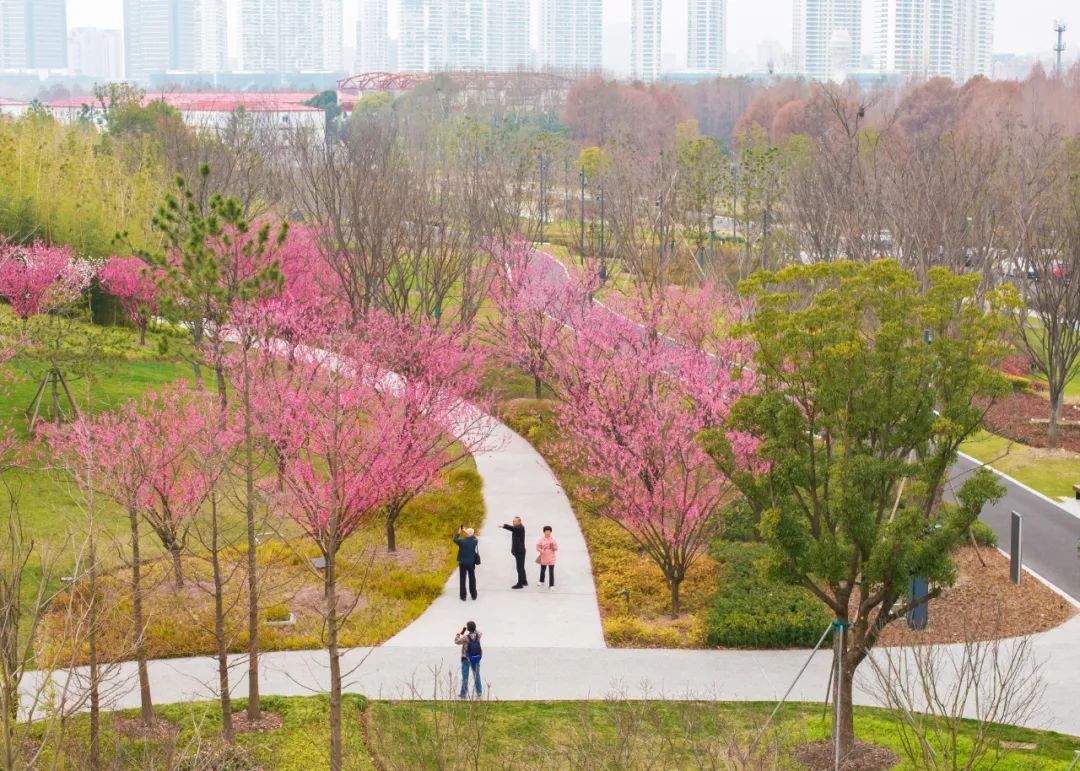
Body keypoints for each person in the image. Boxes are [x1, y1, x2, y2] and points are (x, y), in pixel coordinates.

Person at [454, 621, 483, 698]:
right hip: (476, 658)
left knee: (465, 677)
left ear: (468, 629)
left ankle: (463, 693)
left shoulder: (465, 638)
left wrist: (459, 633)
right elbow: (478, 632)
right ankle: (479, 691)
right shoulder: (478, 635)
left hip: (466, 658)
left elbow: (456, 641)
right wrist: (472, 629)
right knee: (477, 675)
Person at [501, 517, 527, 589]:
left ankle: (520, 584)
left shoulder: (520, 528)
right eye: (513, 521)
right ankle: (524, 581)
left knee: (519, 568)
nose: (513, 523)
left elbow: (513, 528)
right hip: (518, 551)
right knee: (521, 567)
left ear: (519, 522)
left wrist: (504, 526)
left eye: (515, 521)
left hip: (520, 551)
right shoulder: (517, 527)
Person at [454, 526, 479, 601]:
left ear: (466, 534)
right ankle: (474, 595)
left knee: (462, 579)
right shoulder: (475, 541)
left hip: (462, 563)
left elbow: (455, 539)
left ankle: (463, 596)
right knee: (472, 578)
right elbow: (473, 536)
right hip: (471, 562)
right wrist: (467, 531)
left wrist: (460, 532)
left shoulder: (461, 541)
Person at [536, 525, 558, 590]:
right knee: (543, 570)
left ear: (551, 532)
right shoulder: (541, 539)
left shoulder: (553, 539)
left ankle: (551, 585)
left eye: (549, 531)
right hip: (544, 557)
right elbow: (537, 547)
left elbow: (556, 548)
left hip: (551, 558)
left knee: (551, 572)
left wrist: (553, 547)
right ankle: (541, 581)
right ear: (544, 532)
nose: (548, 532)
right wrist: (541, 550)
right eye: (546, 531)